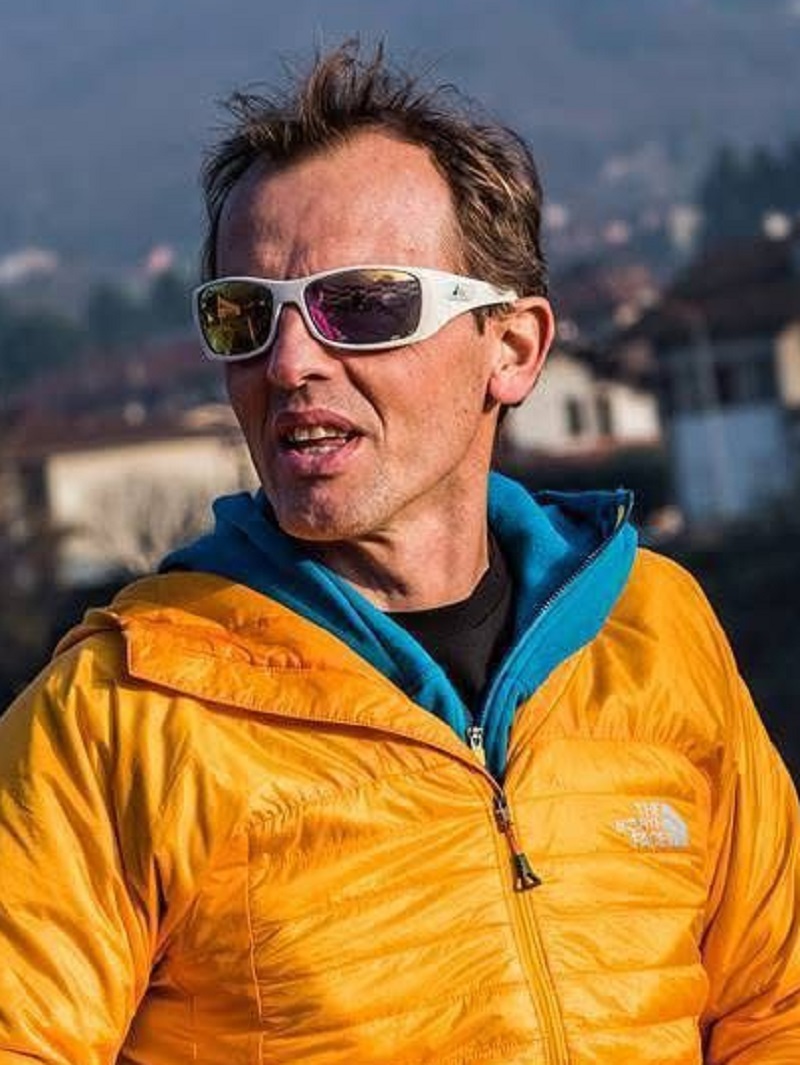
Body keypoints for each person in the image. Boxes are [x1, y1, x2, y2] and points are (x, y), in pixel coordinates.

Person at [1, 41, 799, 1065]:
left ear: (512, 349)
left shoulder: (654, 627)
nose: (289, 362)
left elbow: (775, 1005)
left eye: (363, 305)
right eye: (245, 317)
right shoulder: (119, 712)